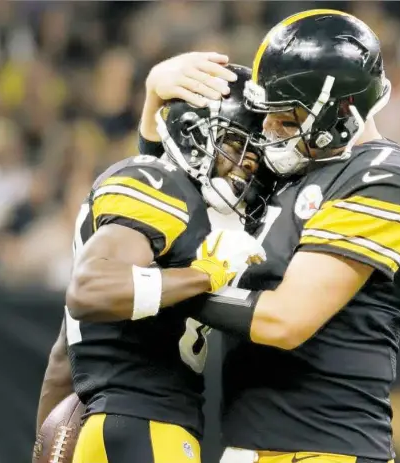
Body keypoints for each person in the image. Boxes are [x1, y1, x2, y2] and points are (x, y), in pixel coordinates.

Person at [145, 10, 400, 463]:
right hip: (247, 446)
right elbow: (162, 203)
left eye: (287, 119)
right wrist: (154, 100)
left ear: (341, 112)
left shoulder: (390, 179)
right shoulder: (288, 168)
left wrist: (155, 289)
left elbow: (286, 320)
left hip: (324, 450)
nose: (268, 132)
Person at [36, 60, 268, 463]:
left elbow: (63, 358)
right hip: (143, 421)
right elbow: (91, 289)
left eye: (252, 162)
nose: (241, 173)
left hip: (118, 422)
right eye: (233, 147)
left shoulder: (182, 204)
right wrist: (201, 276)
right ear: (193, 134)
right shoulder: (158, 184)